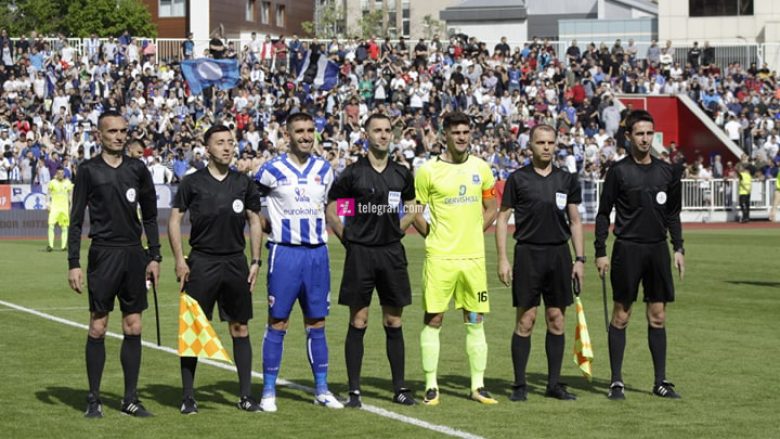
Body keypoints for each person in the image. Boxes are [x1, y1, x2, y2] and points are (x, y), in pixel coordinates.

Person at [67, 110, 161, 417]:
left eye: (123, 131)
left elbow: (149, 214)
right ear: (99, 135)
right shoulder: (88, 170)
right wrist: (74, 263)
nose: (119, 136)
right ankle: (93, 398)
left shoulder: (137, 168)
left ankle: (130, 398)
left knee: (133, 325)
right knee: (98, 325)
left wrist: (155, 255)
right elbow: (76, 218)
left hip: (134, 254)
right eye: (112, 131)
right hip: (103, 253)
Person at [168, 125, 264, 414]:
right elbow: (174, 221)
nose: (226, 147)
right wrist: (179, 260)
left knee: (240, 327)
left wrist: (256, 260)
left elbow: (255, 220)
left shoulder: (243, 182)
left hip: (235, 262)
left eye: (230, 142)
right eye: (220, 142)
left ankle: (246, 396)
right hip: (202, 261)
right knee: (194, 330)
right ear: (207, 148)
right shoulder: (192, 182)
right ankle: (188, 397)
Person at [325, 114, 418, 408]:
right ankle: (354, 391)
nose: (383, 135)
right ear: (366, 134)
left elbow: (413, 206)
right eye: (377, 130)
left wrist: (397, 229)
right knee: (359, 320)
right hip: (361, 254)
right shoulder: (353, 175)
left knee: (394, 320)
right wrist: (346, 236)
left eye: (387, 130)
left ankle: (400, 388)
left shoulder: (401, 174)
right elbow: (333, 207)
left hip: (391, 253)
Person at [254, 112, 343, 412]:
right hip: (285, 254)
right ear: (288, 135)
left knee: (317, 322)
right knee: (278, 321)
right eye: (299, 131)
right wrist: (265, 223)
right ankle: (268, 392)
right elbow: (247, 201)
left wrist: (362, 219)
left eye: (309, 131)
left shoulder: (325, 169)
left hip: (318, 254)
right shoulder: (272, 170)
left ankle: (322, 389)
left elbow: (336, 205)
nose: (305, 136)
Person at [594, 110, 685, 401]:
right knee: (622, 315)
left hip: (657, 249)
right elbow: (602, 213)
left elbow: (672, 213)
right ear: (629, 137)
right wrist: (600, 251)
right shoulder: (618, 171)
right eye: (640, 134)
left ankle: (661, 381)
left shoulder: (668, 172)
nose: (645, 139)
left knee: (658, 316)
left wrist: (678, 247)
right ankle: (616, 381)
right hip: (627, 249)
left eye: (649, 133)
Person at [414, 111, 499, 405]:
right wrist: (432, 235)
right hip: (440, 258)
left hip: (473, 258)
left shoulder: (482, 168)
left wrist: (476, 230)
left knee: (475, 320)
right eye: (456, 132)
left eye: (466, 132)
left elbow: (492, 206)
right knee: (434, 318)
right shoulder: (428, 171)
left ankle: (477, 386)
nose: (462, 137)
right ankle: (431, 385)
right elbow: (415, 210)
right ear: (445, 136)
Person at [495, 124, 585, 402]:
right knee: (526, 320)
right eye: (540, 142)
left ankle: (553, 384)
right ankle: (520, 385)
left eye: (550, 142)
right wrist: (502, 258)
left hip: (559, 255)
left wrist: (580, 259)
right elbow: (502, 218)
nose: (546, 147)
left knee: (556, 319)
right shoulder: (518, 179)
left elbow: (575, 221)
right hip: (528, 255)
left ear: (556, 145)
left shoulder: (566, 179)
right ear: (530, 146)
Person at [47, 167, 73, 252]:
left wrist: (71, 205)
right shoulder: (52, 182)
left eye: (62, 173)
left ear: (64, 173)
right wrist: (47, 204)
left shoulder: (68, 183)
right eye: (59, 173)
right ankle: (50, 245)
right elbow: (48, 194)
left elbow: (70, 195)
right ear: (56, 174)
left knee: (64, 227)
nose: (61, 174)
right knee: (51, 225)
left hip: (64, 208)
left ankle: (63, 246)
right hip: (54, 207)